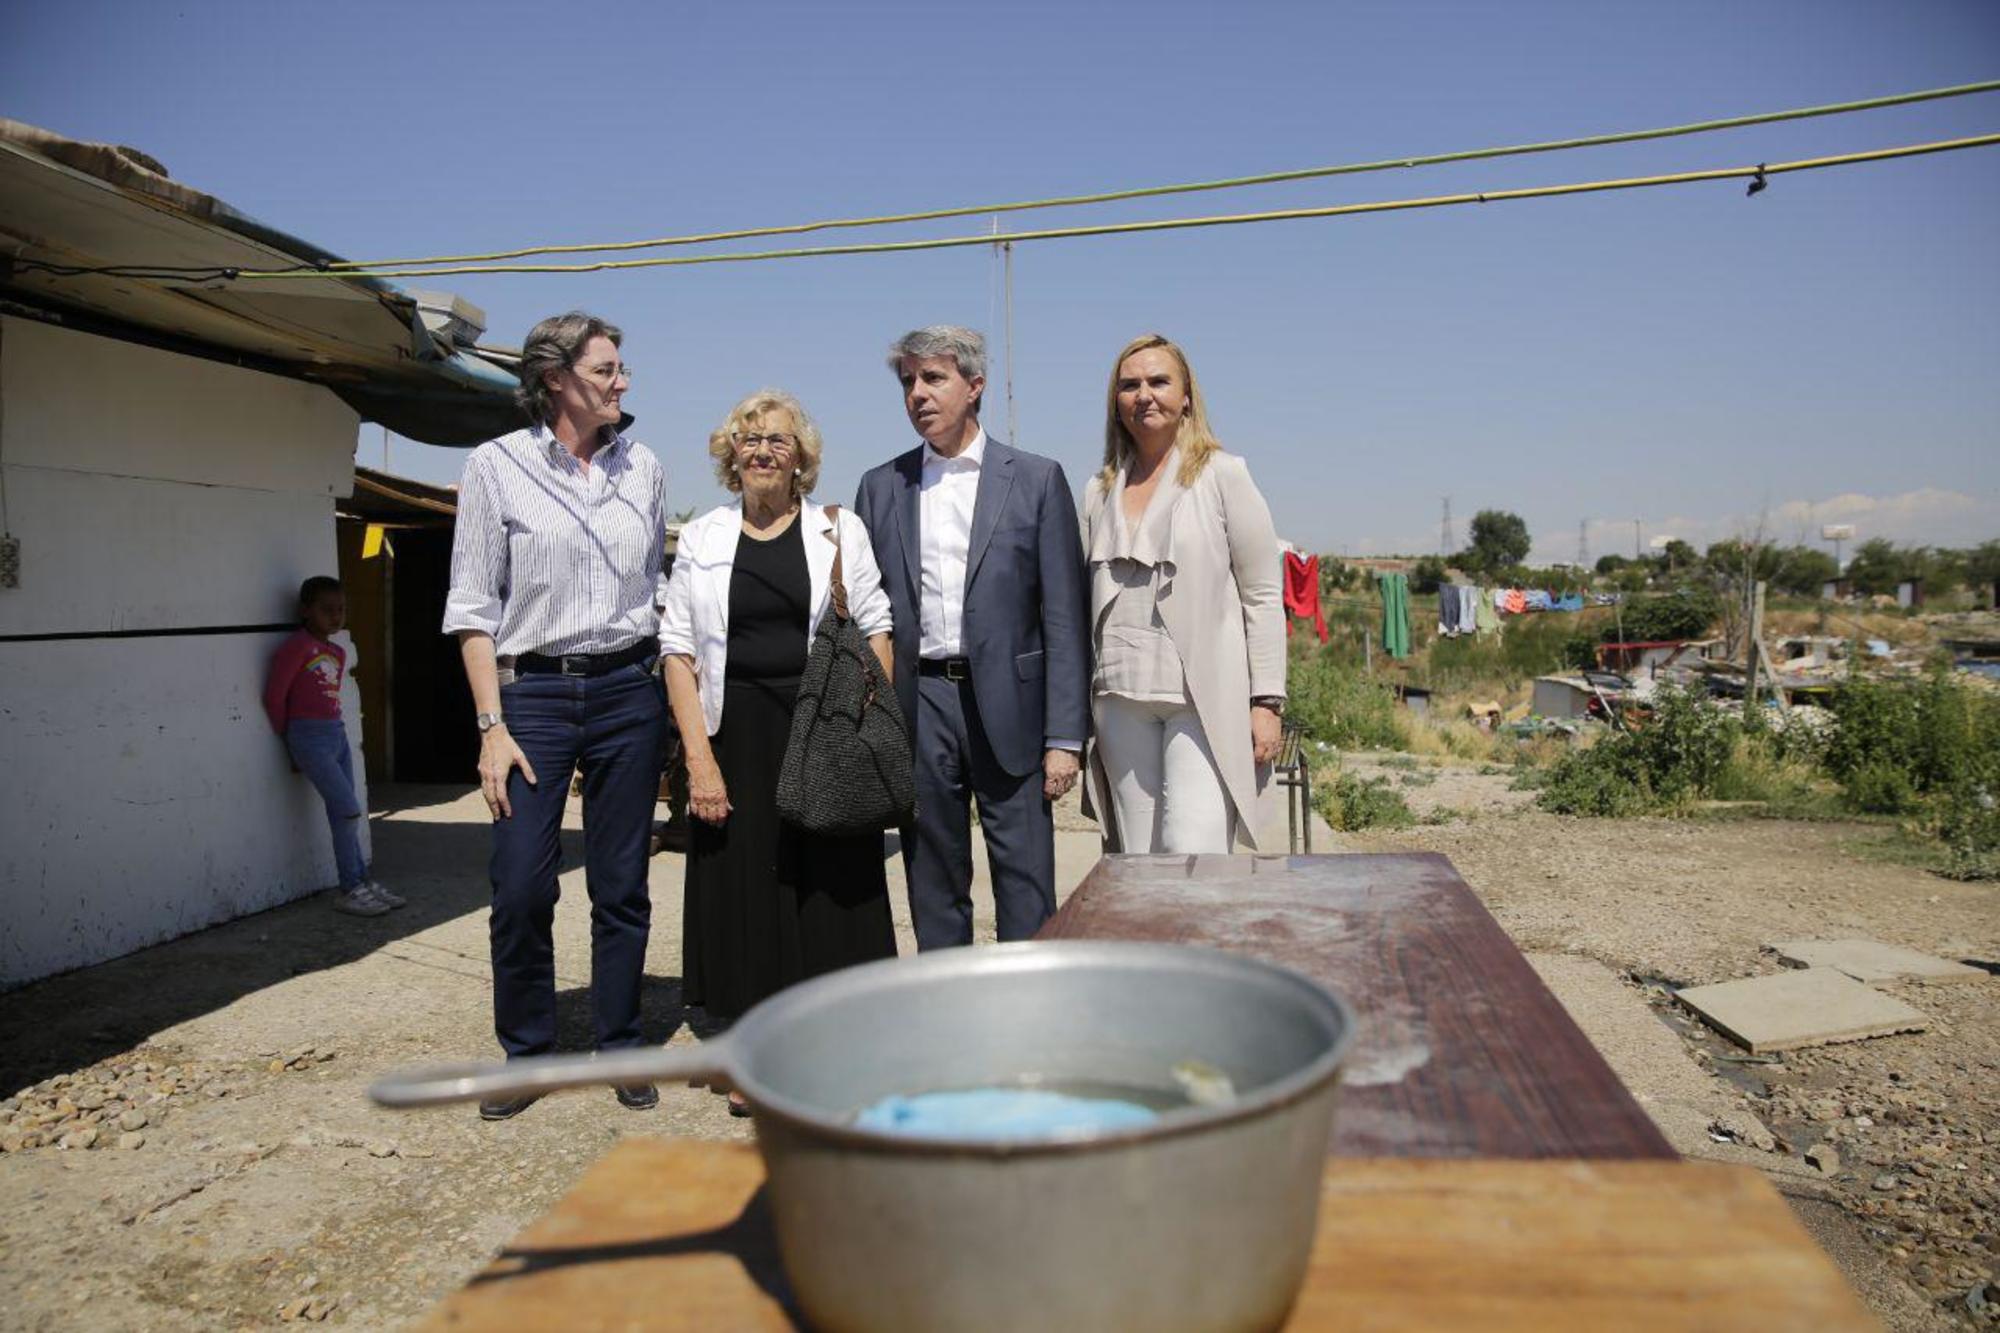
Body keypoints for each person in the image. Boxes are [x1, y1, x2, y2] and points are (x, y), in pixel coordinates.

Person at [442, 311, 670, 1120]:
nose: (622, 382)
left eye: (620, 367)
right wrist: (489, 726)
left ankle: (621, 1041)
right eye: (606, 369)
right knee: (521, 884)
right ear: (555, 380)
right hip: (529, 696)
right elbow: (471, 608)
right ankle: (528, 1053)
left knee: (621, 884)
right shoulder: (495, 467)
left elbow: (652, 586)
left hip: (625, 693)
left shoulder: (641, 467)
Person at [661, 390, 898, 1111]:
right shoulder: (702, 536)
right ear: (731, 455)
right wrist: (699, 759)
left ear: (803, 459)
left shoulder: (839, 530)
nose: (763, 450)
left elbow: (878, 629)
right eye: (749, 439)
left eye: (779, 441)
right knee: (747, 893)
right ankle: (755, 1056)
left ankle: (838, 1049)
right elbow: (676, 650)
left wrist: (858, 728)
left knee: (828, 890)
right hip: (736, 734)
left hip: (819, 731)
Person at [854, 326, 1090, 949]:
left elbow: (1064, 617)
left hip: (1012, 706)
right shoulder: (881, 487)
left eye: (933, 378)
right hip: (920, 703)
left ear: (974, 385)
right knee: (932, 876)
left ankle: (1029, 1018)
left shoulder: (1036, 480)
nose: (917, 394)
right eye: (908, 381)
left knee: (1025, 878)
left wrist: (1065, 737)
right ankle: (946, 1017)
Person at [1079, 334, 1286, 853]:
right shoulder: (1098, 490)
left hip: (1202, 700)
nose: (1144, 394)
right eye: (1129, 385)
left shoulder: (1223, 475)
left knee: (1195, 855)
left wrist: (1266, 701)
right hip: (1117, 697)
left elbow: (1262, 594)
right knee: (1138, 861)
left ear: (1187, 395)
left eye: (1158, 381)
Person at [262, 576, 402, 916]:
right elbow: (274, 696)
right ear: (305, 611)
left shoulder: (337, 651)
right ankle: (350, 888)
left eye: (340, 610)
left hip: (335, 734)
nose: (335, 617)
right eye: (326, 610)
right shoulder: (296, 647)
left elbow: (331, 697)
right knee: (348, 809)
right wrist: (289, 742)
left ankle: (361, 881)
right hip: (307, 736)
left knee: (346, 816)